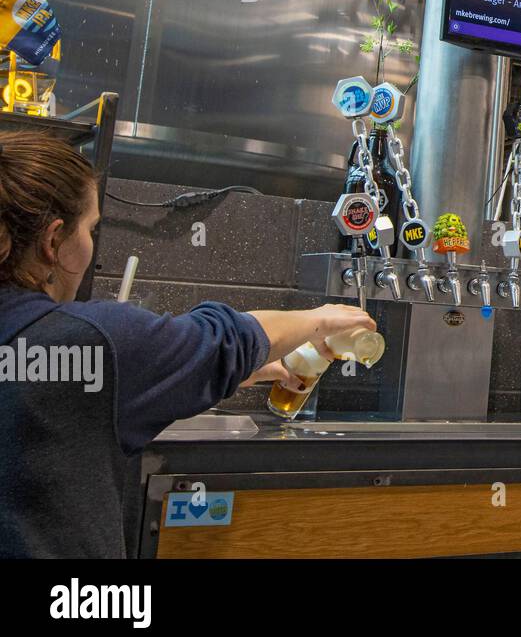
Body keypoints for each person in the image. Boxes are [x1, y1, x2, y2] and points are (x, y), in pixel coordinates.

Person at [0, 131, 376, 557]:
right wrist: (318, 318)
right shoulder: (90, 343)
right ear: (53, 242)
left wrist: (175, 373)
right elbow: (222, 340)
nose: (90, 244)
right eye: (90, 229)